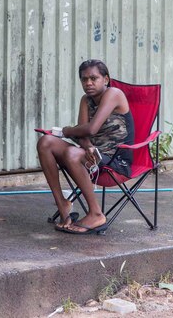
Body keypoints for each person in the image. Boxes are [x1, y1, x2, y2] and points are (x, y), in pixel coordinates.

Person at [36, 59, 134, 234]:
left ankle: (96, 213)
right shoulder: (86, 100)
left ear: (106, 79)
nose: (88, 83)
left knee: (73, 154)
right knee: (45, 142)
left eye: (93, 78)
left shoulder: (114, 93)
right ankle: (63, 205)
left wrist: (66, 131)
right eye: (84, 79)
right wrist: (88, 146)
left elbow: (91, 128)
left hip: (117, 158)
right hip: (92, 154)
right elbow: (84, 135)